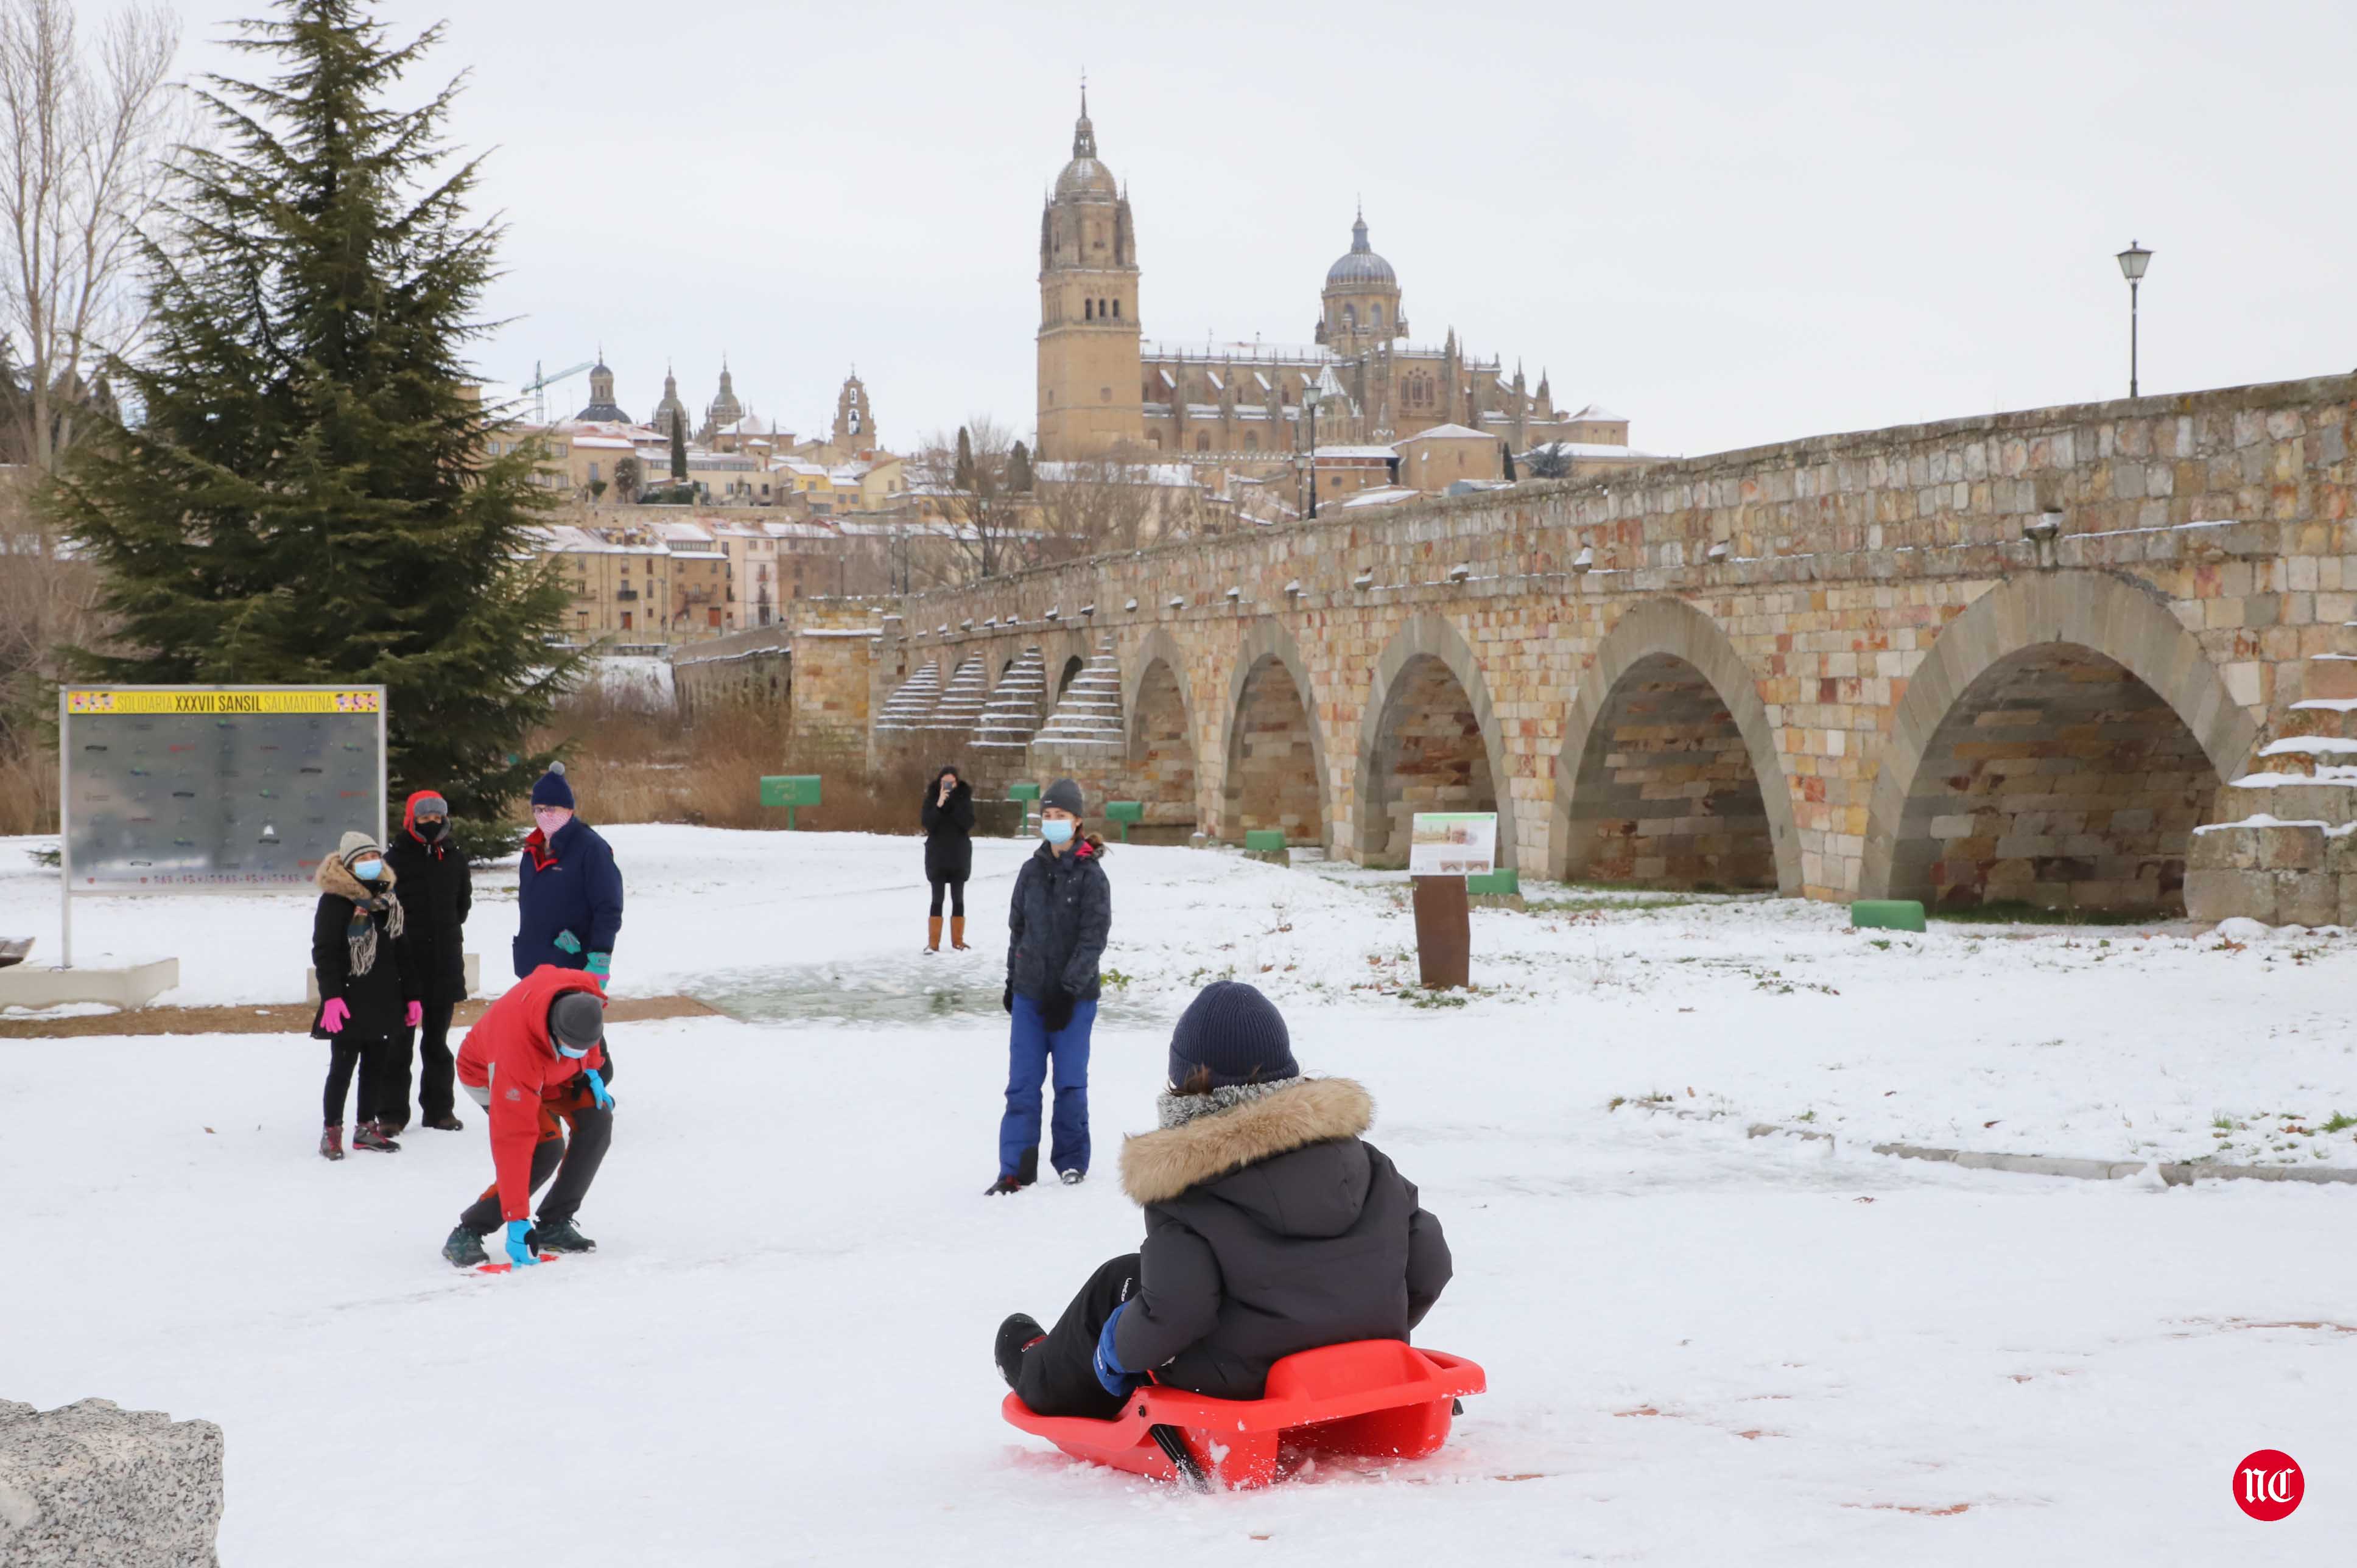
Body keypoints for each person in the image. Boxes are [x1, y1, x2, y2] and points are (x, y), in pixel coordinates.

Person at [994, 982, 1452, 1416]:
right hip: (1366, 1362)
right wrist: (1369, 1327)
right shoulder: (1369, 1163)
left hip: (1240, 1384)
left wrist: (1116, 1350)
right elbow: (1430, 1258)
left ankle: (1043, 1376)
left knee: (1118, 1284)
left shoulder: (1188, 1190)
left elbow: (1178, 1310)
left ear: (1184, 1083)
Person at [440, 963, 616, 1269]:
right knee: (545, 1148)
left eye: (583, 1046)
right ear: (554, 1030)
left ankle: (555, 1222)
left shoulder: (584, 997)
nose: (580, 1050)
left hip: (554, 1070)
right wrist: (517, 1218)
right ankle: (469, 1230)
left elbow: (590, 1044)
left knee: (597, 1120)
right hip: (489, 1074)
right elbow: (514, 1140)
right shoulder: (515, 1052)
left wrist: (592, 1067)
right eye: (572, 1046)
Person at [989, 777, 1109, 1194]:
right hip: (1029, 994)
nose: (1053, 822)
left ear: (1077, 821)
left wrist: (1068, 989)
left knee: (1070, 1082)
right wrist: (1012, 980)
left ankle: (1072, 1160)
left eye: (1061, 816)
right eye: (1048, 816)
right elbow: (1017, 931)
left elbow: (1093, 938)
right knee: (1022, 1084)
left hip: (1072, 1000)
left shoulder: (1092, 877)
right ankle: (1015, 1169)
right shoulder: (1030, 871)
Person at [310, 830, 420, 1160]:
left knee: (376, 1067)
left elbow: (403, 952)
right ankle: (332, 1131)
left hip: (385, 997)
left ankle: (366, 1128)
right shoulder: (335, 901)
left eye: (375, 856)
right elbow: (325, 952)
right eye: (363, 858)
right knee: (342, 1068)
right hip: (348, 997)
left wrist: (412, 996)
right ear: (348, 864)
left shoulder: (388, 900)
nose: (371, 863)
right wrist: (331, 996)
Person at [384, 789, 471, 1135]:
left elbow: (462, 906)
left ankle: (439, 1110)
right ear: (411, 819)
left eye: (438, 817)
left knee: (437, 1042)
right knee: (398, 1043)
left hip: (445, 962)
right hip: (405, 965)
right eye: (425, 818)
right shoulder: (395, 859)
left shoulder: (454, 856)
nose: (432, 823)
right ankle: (391, 1114)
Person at [514, 761, 623, 987]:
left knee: (569, 1022)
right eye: (538, 809)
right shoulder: (532, 850)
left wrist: (600, 957)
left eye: (551, 809)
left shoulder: (591, 848)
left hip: (573, 964)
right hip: (533, 964)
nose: (544, 815)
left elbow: (608, 906)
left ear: (569, 810)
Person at [920, 764, 975, 954]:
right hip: (938, 856)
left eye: (952, 783)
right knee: (937, 899)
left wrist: (954, 806)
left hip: (958, 856)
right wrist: (940, 804)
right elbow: (928, 824)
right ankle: (933, 943)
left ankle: (958, 940)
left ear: (957, 783)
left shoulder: (964, 800)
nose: (949, 786)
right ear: (940, 782)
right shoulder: (932, 799)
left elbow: (968, 823)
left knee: (958, 899)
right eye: (945, 782)